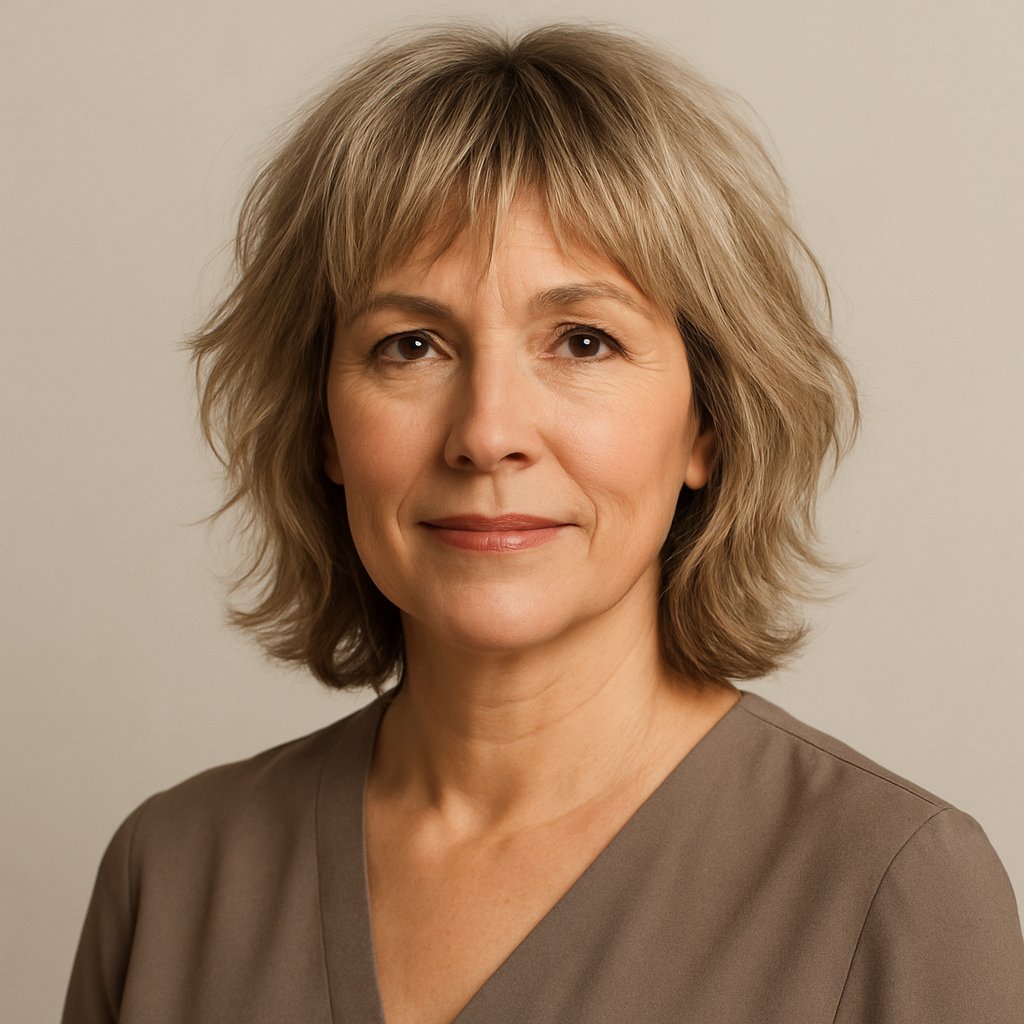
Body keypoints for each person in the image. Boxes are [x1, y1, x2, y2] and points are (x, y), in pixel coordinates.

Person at [62, 21, 1024, 1024]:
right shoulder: (169, 876)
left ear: (706, 424)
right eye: (410, 345)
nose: (487, 434)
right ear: (323, 424)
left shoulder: (895, 893)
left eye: (582, 341)